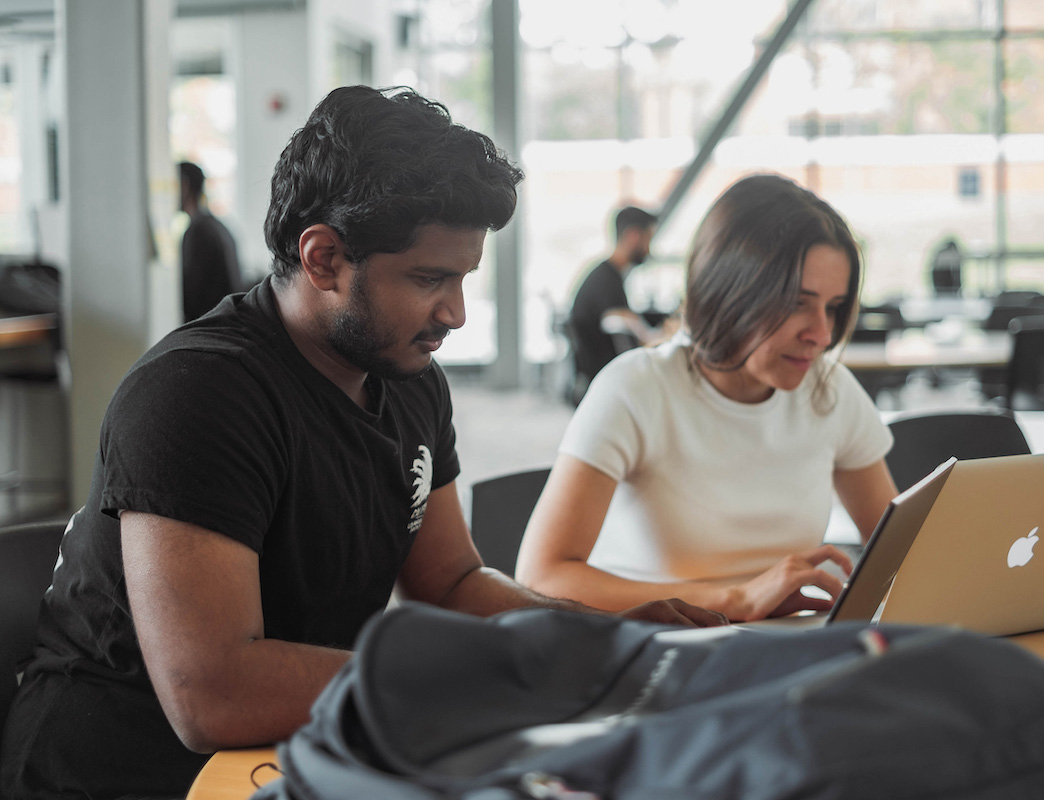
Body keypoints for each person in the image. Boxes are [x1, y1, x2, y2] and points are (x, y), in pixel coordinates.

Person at [0, 86, 723, 800]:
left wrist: (606, 639)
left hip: (295, 753)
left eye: (464, 278)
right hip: (119, 773)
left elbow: (450, 582)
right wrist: (502, 666)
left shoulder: (408, 377)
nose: (457, 313)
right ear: (323, 259)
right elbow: (211, 695)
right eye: (429, 278)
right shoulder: (196, 394)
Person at [516, 174, 899, 623]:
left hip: (781, 651)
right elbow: (542, 578)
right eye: (798, 302)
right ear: (729, 291)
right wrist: (734, 599)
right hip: (659, 652)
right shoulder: (636, 390)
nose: (822, 333)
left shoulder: (829, 391)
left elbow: (904, 553)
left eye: (833, 307)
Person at [565, 205, 661, 394]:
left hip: (602, 377)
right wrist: (662, 335)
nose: (649, 249)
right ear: (634, 236)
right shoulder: (606, 281)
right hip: (606, 382)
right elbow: (641, 333)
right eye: (649, 238)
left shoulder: (607, 274)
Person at [179, 160, 243, 322]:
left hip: (209, 329)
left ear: (184, 186)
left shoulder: (198, 231)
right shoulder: (219, 226)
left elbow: (190, 297)